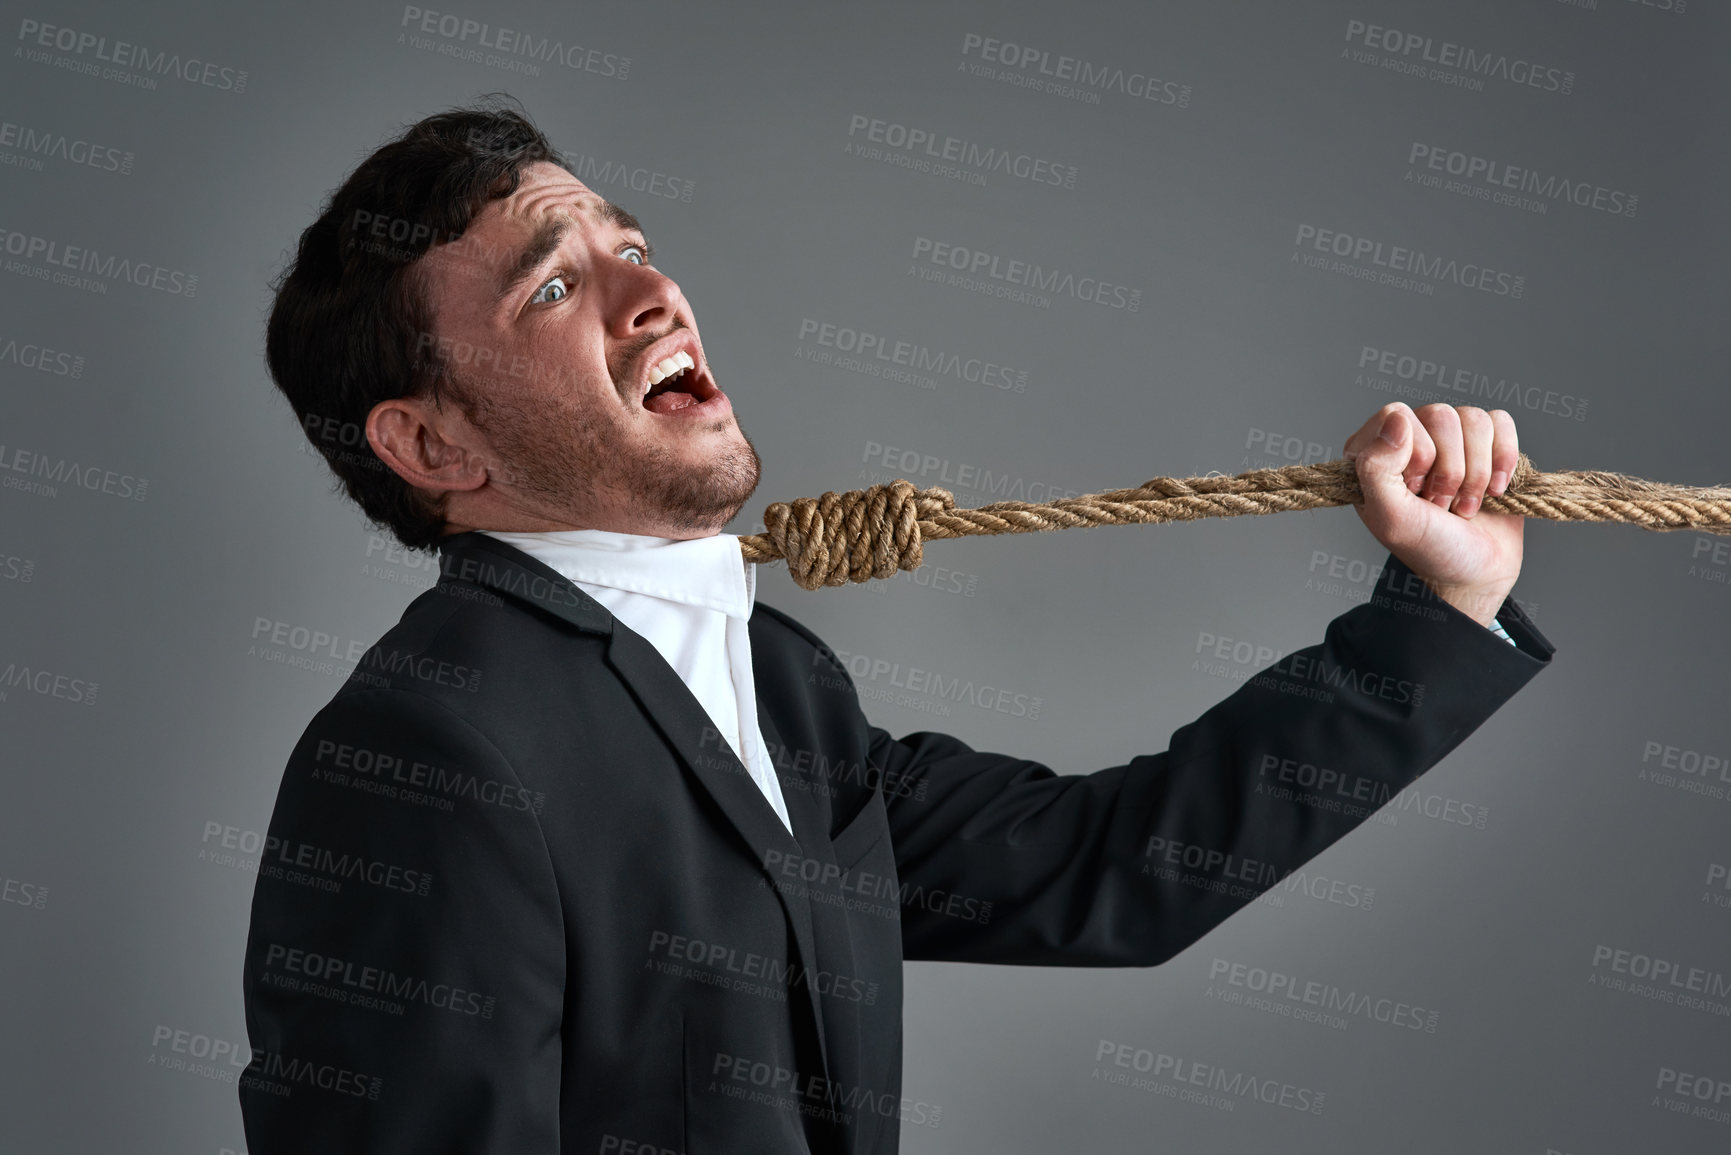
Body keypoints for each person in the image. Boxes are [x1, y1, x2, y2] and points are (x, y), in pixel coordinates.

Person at [240, 98, 1552, 1153]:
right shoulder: (428, 744)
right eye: (548, 289)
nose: (654, 297)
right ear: (430, 441)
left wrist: (1445, 602)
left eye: (628, 249)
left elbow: (1112, 871)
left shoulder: (781, 680)